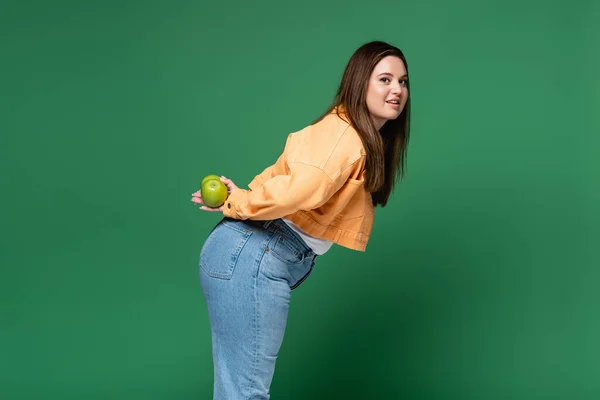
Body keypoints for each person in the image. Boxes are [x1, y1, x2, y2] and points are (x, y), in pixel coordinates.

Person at [190, 40, 411, 399]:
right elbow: (301, 190)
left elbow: (299, 185)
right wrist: (239, 201)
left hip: (251, 252)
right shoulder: (345, 135)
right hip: (254, 254)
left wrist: (238, 200)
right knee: (245, 393)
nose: (397, 90)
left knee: (238, 390)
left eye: (403, 82)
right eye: (384, 79)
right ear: (359, 83)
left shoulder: (352, 135)